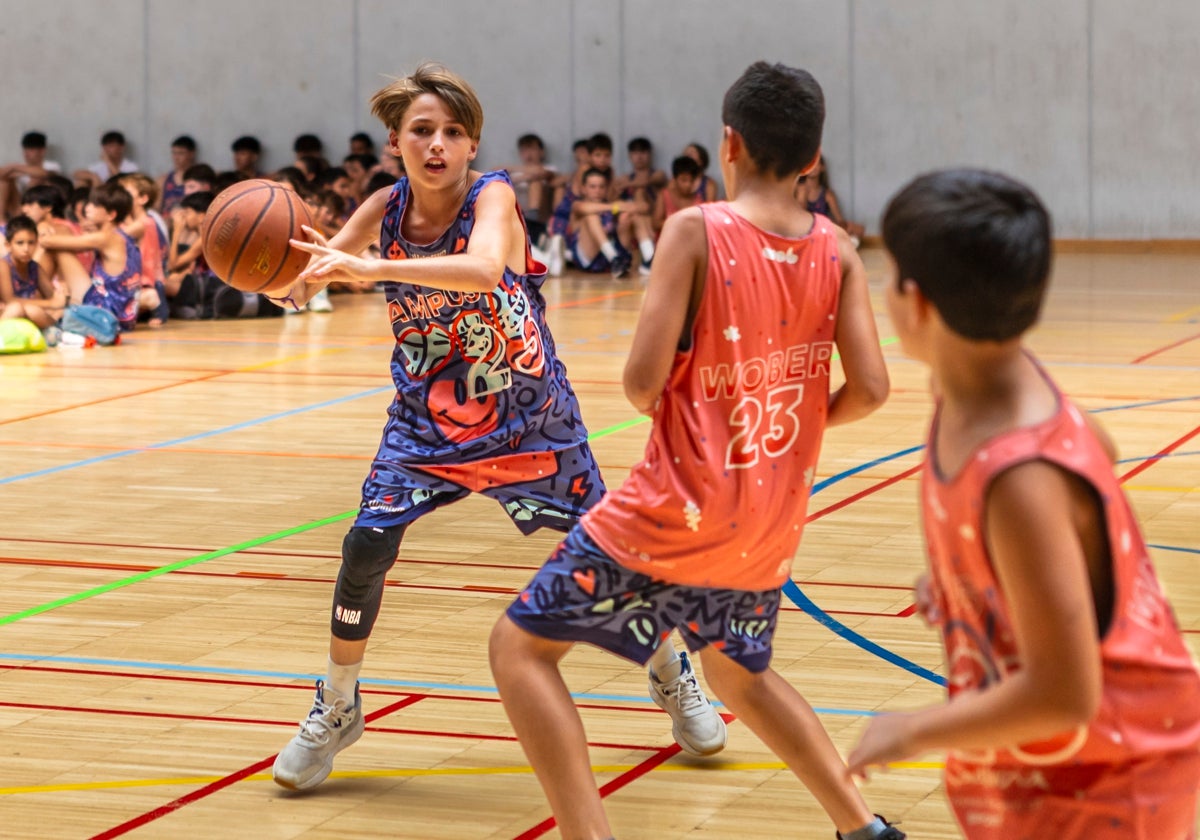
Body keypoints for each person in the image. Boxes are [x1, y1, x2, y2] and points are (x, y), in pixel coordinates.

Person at [265, 61, 722, 792]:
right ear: (397, 142)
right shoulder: (383, 208)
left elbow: (481, 270)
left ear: (473, 145)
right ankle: (338, 704)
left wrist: (367, 269)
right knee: (364, 546)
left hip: (531, 419)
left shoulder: (495, 196)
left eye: (453, 132)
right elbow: (312, 271)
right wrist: (282, 275)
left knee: (612, 556)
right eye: (422, 131)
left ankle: (672, 672)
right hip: (427, 423)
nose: (437, 144)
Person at [489, 61, 898, 840]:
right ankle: (864, 828)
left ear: (727, 144)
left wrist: (712, 412)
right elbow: (872, 389)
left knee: (518, 652)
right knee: (736, 675)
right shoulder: (839, 251)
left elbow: (643, 384)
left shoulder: (694, 229)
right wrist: (785, 429)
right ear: (813, 159)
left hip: (673, 508)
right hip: (767, 516)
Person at [846, 168, 1200, 839]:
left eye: (889, 276)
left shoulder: (1021, 477)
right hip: (1063, 756)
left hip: (1119, 769)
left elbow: (1065, 693)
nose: (882, 291)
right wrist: (972, 576)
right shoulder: (980, 384)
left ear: (918, 304)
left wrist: (910, 730)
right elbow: (1100, 446)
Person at [38, 182, 143, 331]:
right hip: (123, 315)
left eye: (95, 205)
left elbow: (47, 241)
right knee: (59, 241)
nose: (87, 208)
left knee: (58, 248)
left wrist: (42, 225)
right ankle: (45, 302)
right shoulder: (122, 235)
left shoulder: (105, 238)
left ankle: (34, 298)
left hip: (105, 314)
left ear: (111, 215)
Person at [566, 167, 645, 279]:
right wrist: (615, 207)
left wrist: (621, 209)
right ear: (583, 189)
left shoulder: (611, 205)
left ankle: (647, 259)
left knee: (627, 216)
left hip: (607, 258)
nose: (597, 191)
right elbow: (585, 208)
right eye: (592, 187)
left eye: (601, 187)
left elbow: (641, 208)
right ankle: (614, 259)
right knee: (591, 216)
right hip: (588, 257)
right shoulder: (577, 204)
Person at [119, 173, 168, 326]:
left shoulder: (145, 222)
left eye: (125, 193)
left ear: (143, 198)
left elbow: (118, 236)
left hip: (149, 281)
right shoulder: (134, 221)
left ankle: (158, 308)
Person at [0, 215, 61, 329]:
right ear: (8, 246)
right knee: (16, 308)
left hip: (25, 320)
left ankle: (56, 332)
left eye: (31, 243)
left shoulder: (35, 268)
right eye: (20, 243)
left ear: (37, 244)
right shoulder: (3, 265)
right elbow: (9, 300)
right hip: (6, 316)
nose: (26, 249)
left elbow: (53, 297)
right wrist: (51, 303)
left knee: (35, 311)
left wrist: (61, 297)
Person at [798, 155, 864, 246]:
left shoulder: (827, 194)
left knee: (858, 229)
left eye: (816, 164)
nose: (813, 168)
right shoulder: (800, 189)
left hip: (823, 228)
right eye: (810, 165)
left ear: (822, 167)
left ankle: (835, 244)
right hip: (804, 228)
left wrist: (844, 227)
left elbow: (840, 219)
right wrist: (804, 193)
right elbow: (799, 214)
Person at [0, 131, 63, 219]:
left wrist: (14, 167)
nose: (26, 153)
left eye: (31, 150)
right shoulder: (19, 167)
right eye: (25, 149)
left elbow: (45, 173)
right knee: (4, 180)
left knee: (37, 178)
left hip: (41, 205)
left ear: (42, 151)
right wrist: (13, 169)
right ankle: (1, 219)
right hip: (18, 205)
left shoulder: (52, 165)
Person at [652, 154, 702, 233]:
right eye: (684, 180)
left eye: (691, 181)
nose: (688, 185)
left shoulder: (698, 200)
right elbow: (655, 224)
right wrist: (679, 224)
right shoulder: (664, 195)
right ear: (674, 179)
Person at [74, 131, 140, 187]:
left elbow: (120, 181)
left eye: (112, 146)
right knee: (81, 182)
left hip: (120, 197)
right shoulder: (99, 166)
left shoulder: (131, 167)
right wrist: (94, 176)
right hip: (101, 194)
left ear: (121, 147)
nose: (107, 149)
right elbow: (76, 174)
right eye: (106, 146)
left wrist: (108, 161)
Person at [157, 135, 196, 216]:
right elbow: (156, 207)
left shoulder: (199, 180)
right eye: (174, 153)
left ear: (191, 154)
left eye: (181, 153)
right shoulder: (164, 180)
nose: (176, 157)